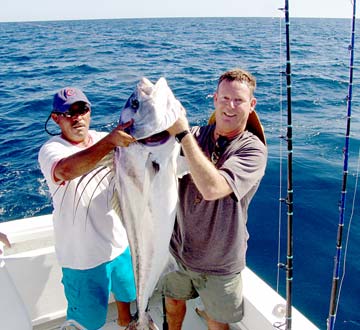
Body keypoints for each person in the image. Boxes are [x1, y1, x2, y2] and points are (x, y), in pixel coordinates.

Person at [163, 68, 268, 330]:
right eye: (225, 99)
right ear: (215, 99)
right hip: (178, 250)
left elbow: (213, 188)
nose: (230, 106)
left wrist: (183, 134)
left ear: (251, 105)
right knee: (173, 304)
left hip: (220, 261)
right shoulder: (197, 135)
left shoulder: (252, 150)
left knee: (216, 320)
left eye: (239, 100)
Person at [38, 87, 137, 330]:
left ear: (89, 112)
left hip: (119, 243)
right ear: (55, 118)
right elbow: (65, 171)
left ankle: (125, 321)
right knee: (88, 321)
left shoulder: (105, 137)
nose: (76, 117)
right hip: (82, 257)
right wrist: (110, 142)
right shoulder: (51, 150)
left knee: (127, 292)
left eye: (81, 109)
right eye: (68, 112)